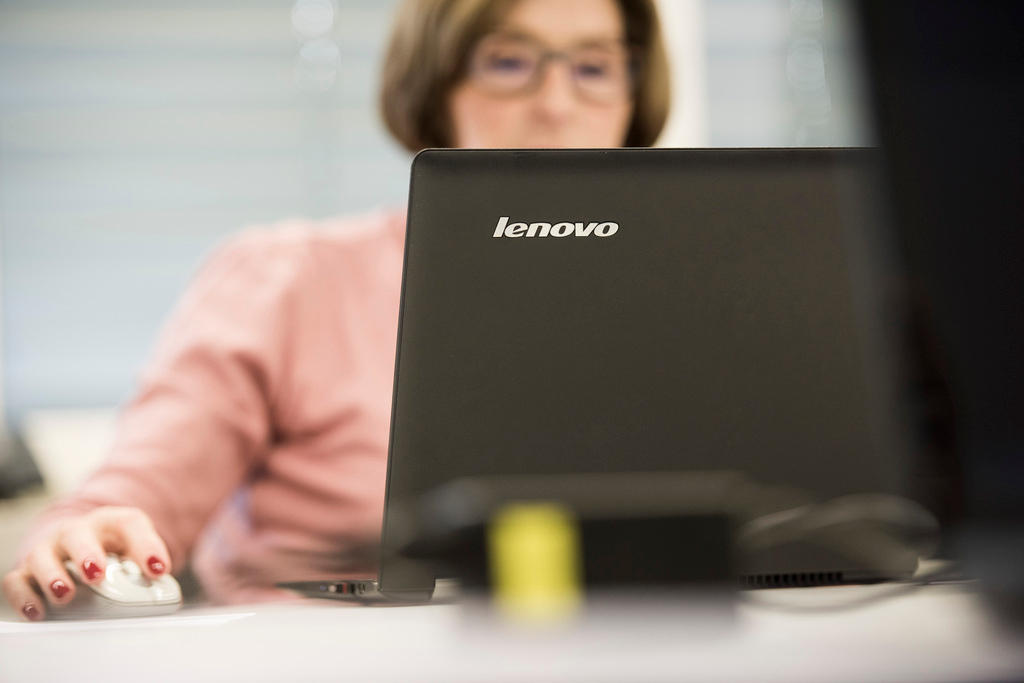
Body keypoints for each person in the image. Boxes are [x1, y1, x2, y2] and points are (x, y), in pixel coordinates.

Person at [3, 0, 669, 619]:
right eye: (508, 61)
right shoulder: (287, 278)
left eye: (594, 67)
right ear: (434, 83)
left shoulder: (683, 299)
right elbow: (127, 500)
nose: (556, 103)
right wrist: (89, 537)